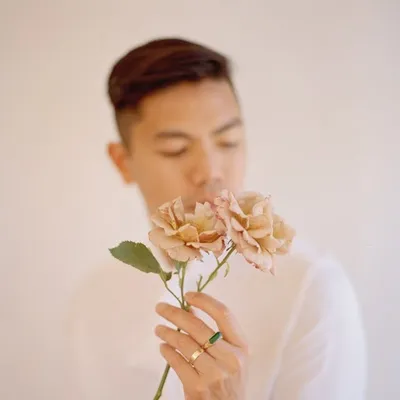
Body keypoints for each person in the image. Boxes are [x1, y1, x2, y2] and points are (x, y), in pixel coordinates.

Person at [67, 37, 366, 399]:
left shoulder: (311, 289)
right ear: (122, 162)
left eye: (228, 142)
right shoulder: (95, 299)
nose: (210, 172)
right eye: (176, 149)